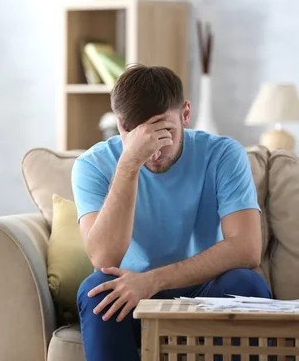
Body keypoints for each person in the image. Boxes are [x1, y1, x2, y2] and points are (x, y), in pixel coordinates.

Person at [72, 65, 271, 361]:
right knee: (97, 290)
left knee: (247, 284)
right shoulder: (92, 165)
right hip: (132, 296)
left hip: (205, 291)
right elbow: (104, 258)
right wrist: (129, 164)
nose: (153, 150)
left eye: (164, 132)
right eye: (138, 135)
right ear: (120, 125)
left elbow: (247, 248)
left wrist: (152, 280)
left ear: (185, 114)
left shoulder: (223, 154)